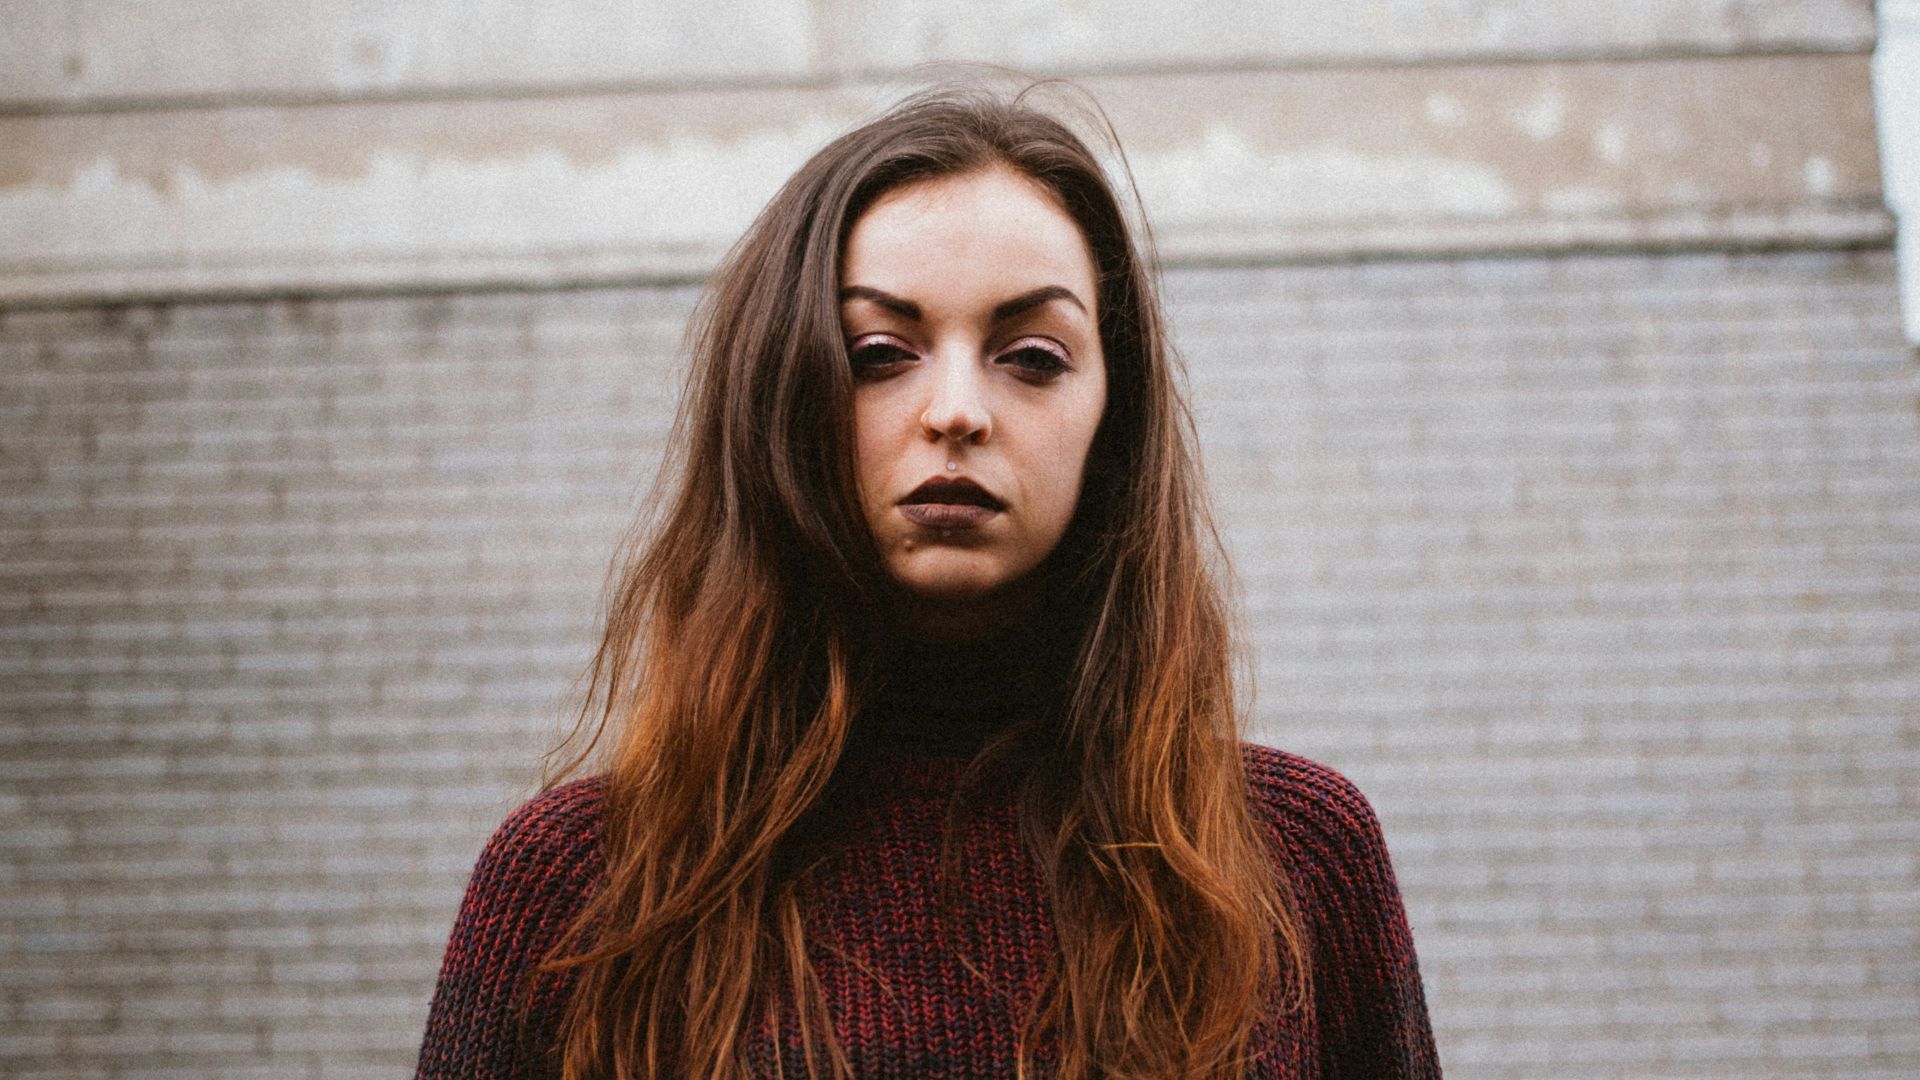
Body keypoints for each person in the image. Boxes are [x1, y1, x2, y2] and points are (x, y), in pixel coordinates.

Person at [415, 83, 1440, 1079]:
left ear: (1111, 417)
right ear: (783, 395)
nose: (957, 410)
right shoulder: (577, 885)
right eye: (877, 353)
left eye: (1032, 356)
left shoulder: (1294, 860)